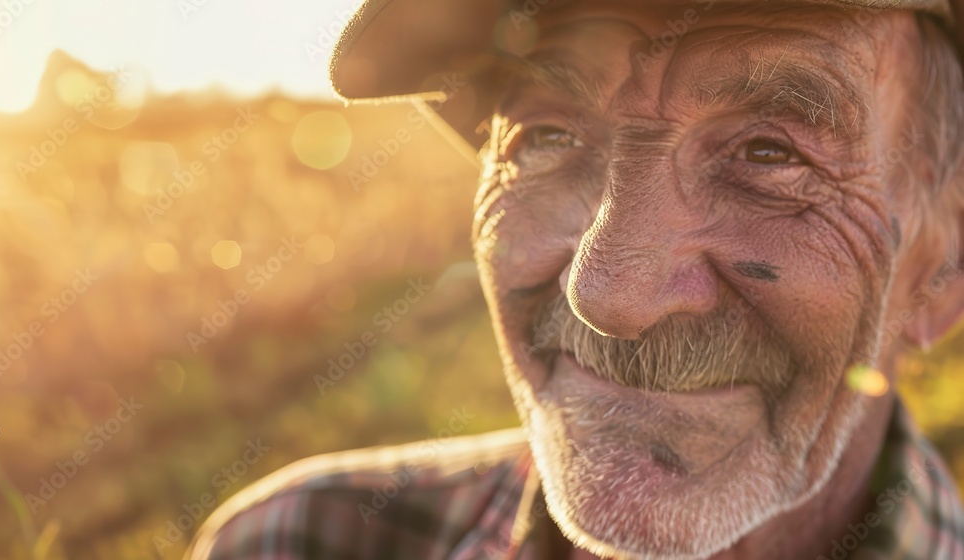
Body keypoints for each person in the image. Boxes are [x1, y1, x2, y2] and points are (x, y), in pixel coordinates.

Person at [187, 0, 964, 558]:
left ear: (945, 267)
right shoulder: (295, 543)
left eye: (770, 155)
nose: (606, 297)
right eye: (548, 134)